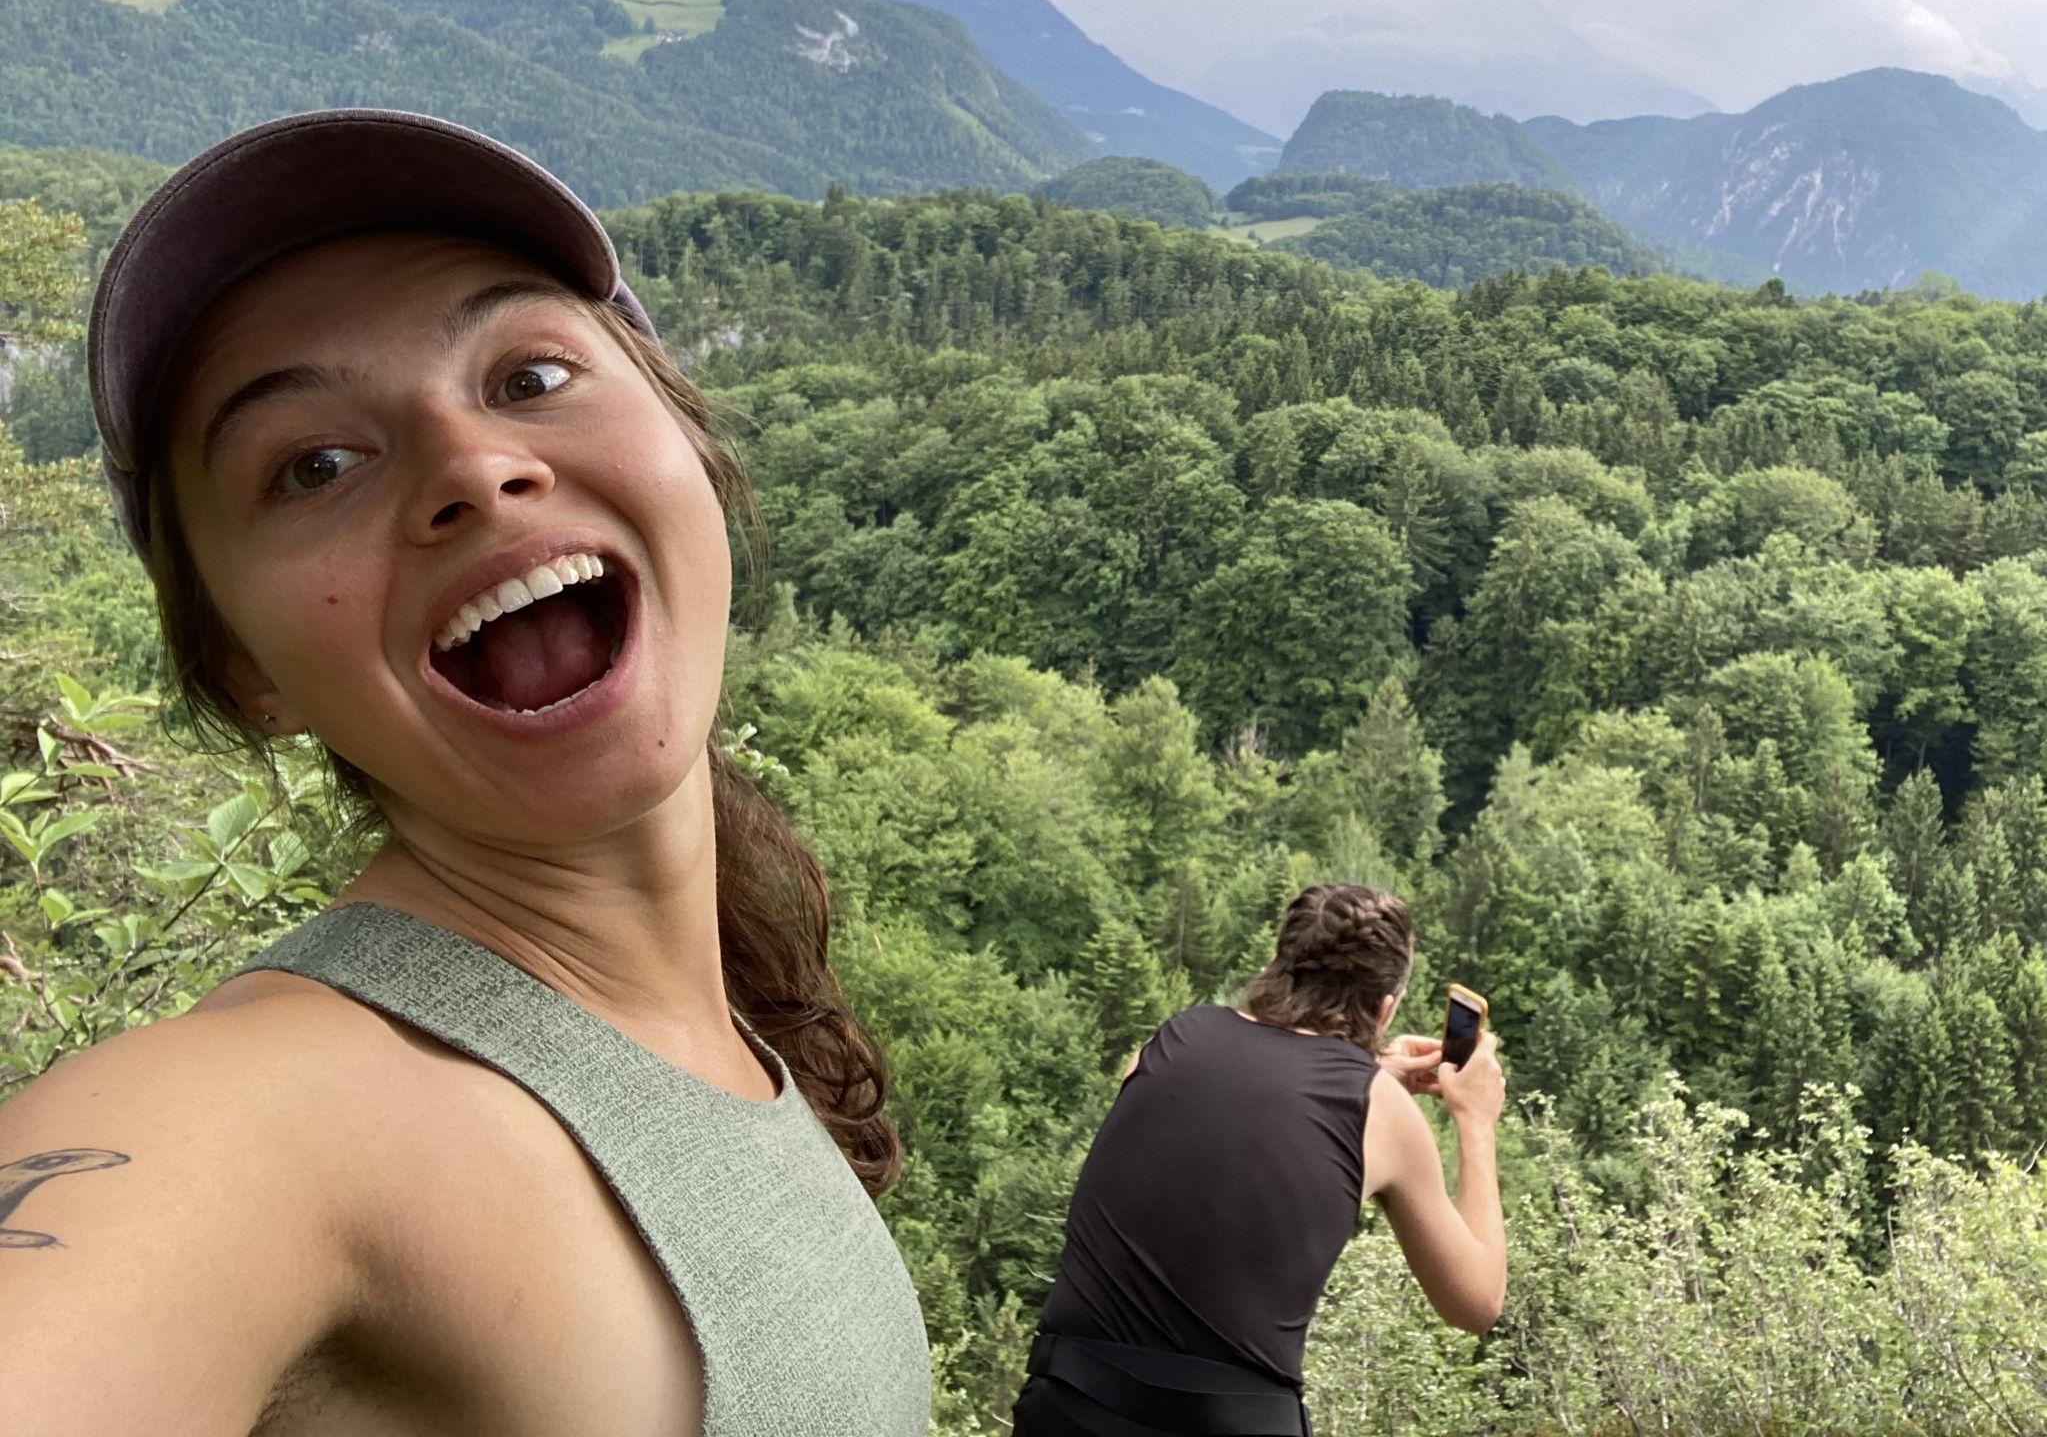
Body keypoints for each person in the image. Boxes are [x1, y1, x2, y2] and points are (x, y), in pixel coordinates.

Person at [0, 110, 932, 1436]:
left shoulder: (730, 1036)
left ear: (690, 451)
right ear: (245, 666)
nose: (475, 470)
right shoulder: (266, 1115)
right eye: (315, 465)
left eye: (529, 378)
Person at [1014, 883, 1506, 1436]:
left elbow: (1236, 1114)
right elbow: (1476, 1302)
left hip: (1070, 1407)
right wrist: (1475, 1120)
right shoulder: (1379, 1111)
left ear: (1278, 964)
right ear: (1386, 1006)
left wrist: (1371, 1076)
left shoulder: (1168, 1041)